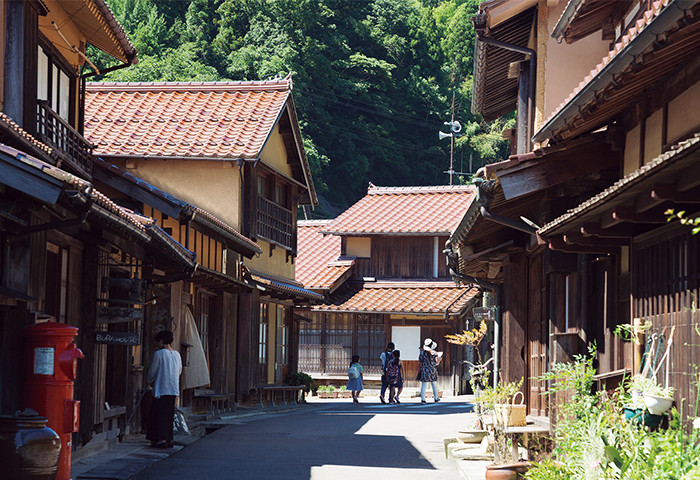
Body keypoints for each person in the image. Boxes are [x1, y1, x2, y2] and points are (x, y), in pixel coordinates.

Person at [146, 329, 182, 448]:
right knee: (168, 415)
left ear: (161, 341)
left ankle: (160, 439)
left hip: (161, 388)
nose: (157, 344)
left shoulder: (159, 354)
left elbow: (153, 371)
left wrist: (148, 381)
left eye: (158, 341)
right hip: (173, 388)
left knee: (158, 414)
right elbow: (180, 370)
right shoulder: (177, 354)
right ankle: (168, 438)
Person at [419, 338, 441, 404]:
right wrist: (439, 360)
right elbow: (436, 362)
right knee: (434, 384)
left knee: (424, 385)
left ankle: (423, 399)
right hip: (432, 370)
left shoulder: (422, 353)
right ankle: (436, 398)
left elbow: (420, 360)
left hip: (424, 369)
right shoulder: (434, 353)